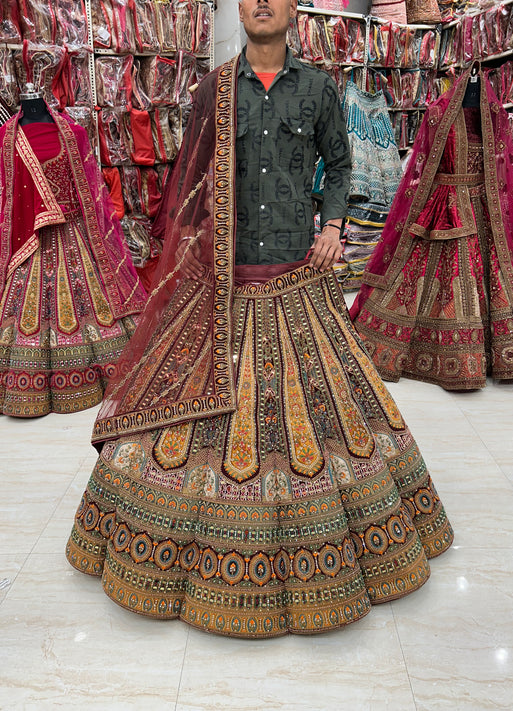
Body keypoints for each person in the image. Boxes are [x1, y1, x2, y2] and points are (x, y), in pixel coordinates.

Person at [66, 0, 453, 638]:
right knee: (189, 413)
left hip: (296, 276)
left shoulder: (321, 87)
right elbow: (188, 183)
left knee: (324, 418)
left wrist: (334, 224)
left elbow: (342, 165)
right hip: (222, 284)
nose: (263, 3)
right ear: (242, 8)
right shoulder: (212, 91)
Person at [350, 66, 513, 391]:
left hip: (484, 210)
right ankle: (450, 354)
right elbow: (422, 166)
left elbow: (503, 167)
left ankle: (493, 354)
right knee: (445, 278)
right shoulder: (437, 114)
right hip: (447, 207)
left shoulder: (495, 116)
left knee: (484, 278)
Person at [0, 84, 146, 417]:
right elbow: (8, 199)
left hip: (76, 235)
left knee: (88, 305)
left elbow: (92, 191)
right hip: (29, 241)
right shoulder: (5, 139)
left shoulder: (75, 133)